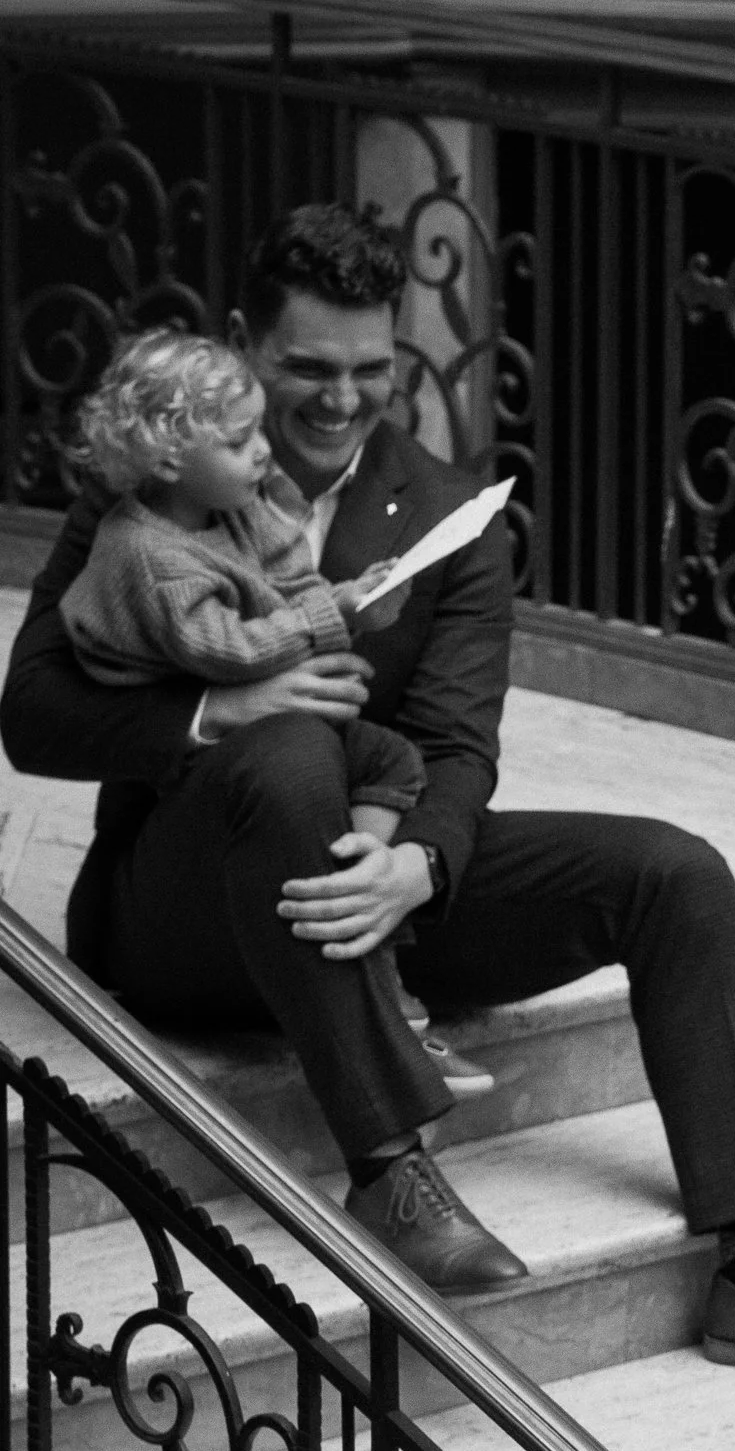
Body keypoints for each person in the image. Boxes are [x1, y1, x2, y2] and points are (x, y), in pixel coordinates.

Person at [2, 201, 735, 1385]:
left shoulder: (451, 512)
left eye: (369, 369)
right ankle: (389, 1166)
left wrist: (422, 867)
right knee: (292, 745)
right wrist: (211, 713)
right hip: (182, 907)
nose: (339, 399)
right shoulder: (153, 480)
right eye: (305, 366)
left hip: (374, 880)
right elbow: (31, 713)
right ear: (246, 341)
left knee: (674, 872)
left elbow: (456, 744)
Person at [55, 322, 492, 1102]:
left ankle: (364, 909)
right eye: (239, 440)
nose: (263, 452)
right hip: (193, 794)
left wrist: (352, 599)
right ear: (167, 460)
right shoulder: (149, 552)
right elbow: (223, 650)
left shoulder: (237, 506)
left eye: (257, 430)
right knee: (298, 752)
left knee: (392, 760)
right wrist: (333, 623)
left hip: (288, 762)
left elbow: (290, 577)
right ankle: (382, 1023)